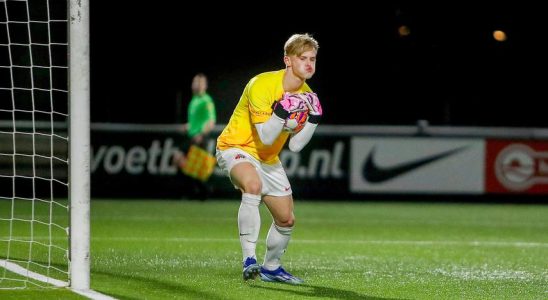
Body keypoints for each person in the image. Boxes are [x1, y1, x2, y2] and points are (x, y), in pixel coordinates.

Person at [216, 33, 322, 284]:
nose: (309, 64)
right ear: (287, 60)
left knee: (286, 219)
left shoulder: (307, 95)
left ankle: (272, 267)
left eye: (313, 59)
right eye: (303, 58)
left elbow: (295, 146)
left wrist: (314, 120)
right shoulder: (261, 84)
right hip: (235, 146)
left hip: (267, 158)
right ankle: (249, 259)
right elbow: (264, 136)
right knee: (253, 186)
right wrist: (282, 111)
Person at [175, 73, 217, 200]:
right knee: (188, 165)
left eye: (200, 83)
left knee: (186, 162)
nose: (197, 85)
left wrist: (201, 134)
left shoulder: (206, 100)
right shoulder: (194, 100)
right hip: (191, 136)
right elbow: (196, 121)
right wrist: (188, 126)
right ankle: (200, 191)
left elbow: (211, 121)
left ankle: (201, 191)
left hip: (199, 138)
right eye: (195, 82)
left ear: (205, 85)